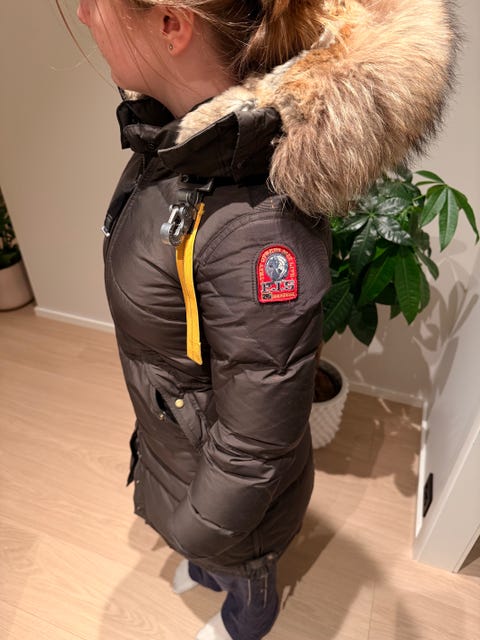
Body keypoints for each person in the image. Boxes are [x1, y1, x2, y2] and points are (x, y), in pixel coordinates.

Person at [70, 1, 457, 638]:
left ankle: (249, 614)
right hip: (186, 447)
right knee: (217, 550)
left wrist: (200, 528)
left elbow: (257, 441)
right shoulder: (177, 146)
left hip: (232, 502)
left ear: (171, 24)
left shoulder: (255, 230)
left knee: (245, 567)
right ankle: (215, 562)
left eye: (95, 0)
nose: (85, 15)